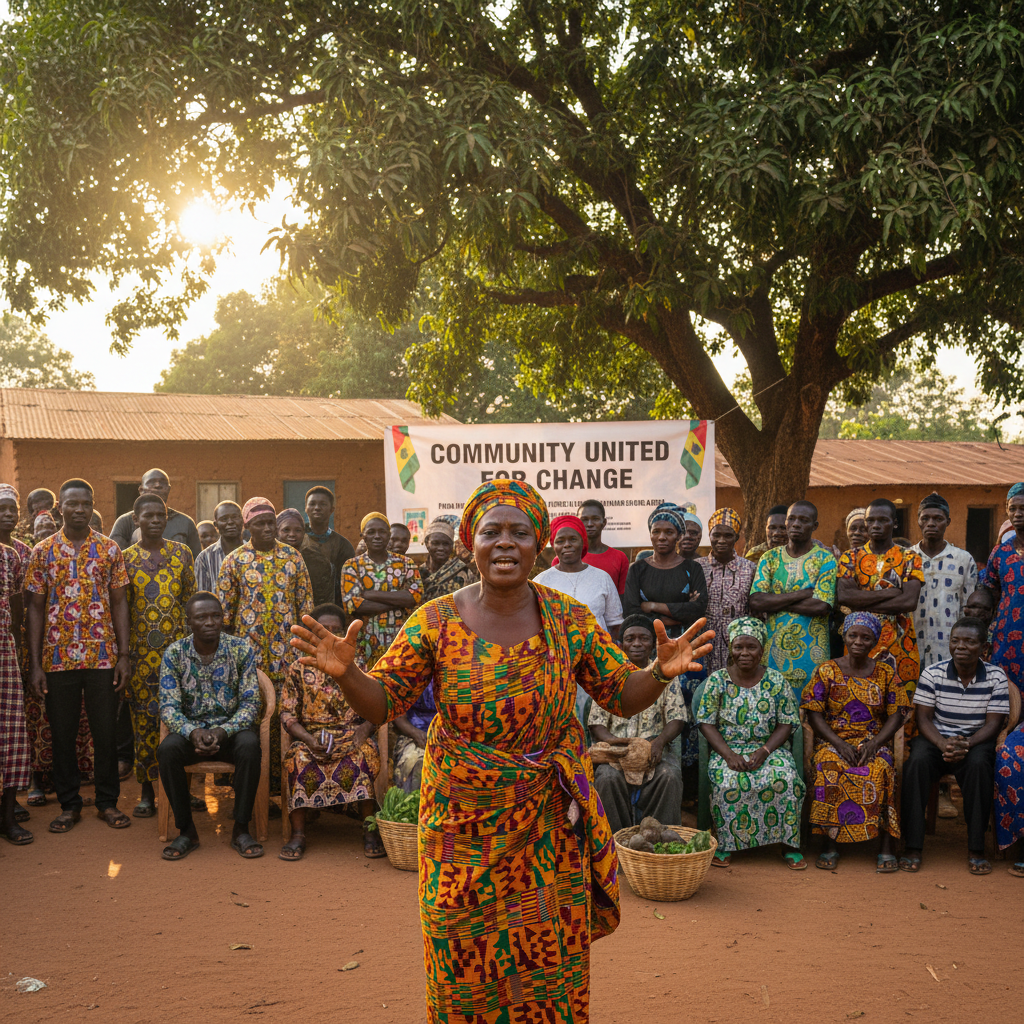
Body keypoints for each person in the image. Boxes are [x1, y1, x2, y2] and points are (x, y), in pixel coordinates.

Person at [289, 478, 714, 1022]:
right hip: (459, 821)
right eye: (492, 531)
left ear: (539, 544)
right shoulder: (434, 620)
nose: (506, 543)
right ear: (472, 543)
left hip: (545, 822)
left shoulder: (571, 620)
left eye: (519, 532)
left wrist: (658, 671)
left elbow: (620, 696)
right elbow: (383, 704)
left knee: (547, 959)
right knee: (457, 946)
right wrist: (348, 673)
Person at [24, 478, 132, 834]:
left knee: (105, 734)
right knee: (63, 734)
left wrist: (123, 655)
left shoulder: (109, 550)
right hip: (57, 660)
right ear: (60, 509)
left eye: (86, 503)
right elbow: (35, 609)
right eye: (72, 504)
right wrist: (36, 663)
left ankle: (106, 802)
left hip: (102, 657)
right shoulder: (42, 552)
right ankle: (69, 804)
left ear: (92, 505)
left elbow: (119, 602)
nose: (79, 509)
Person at [157, 591, 263, 860]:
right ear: (189, 622)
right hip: (190, 734)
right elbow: (168, 706)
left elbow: (251, 704)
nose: (210, 622)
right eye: (201, 617)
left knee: (250, 745)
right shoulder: (174, 653)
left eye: (216, 616)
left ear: (222, 619)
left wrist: (221, 731)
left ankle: (241, 829)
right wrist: (193, 732)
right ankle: (187, 831)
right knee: (167, 750)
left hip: (229, 734)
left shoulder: (241, 649)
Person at [218, 496, 313, 794]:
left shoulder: (293, 558)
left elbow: (305, 608)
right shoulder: (234, 561)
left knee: (285, 719)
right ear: (248, 527)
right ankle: (249, 787)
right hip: (249, 660)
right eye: (260, 523)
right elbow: (225, 617)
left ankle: (280, 788)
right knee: (250, 719)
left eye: (271, 522)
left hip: (288, 656)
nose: (267, 528)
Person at [900, 617, 1009, 875]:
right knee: (915, 763)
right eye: (955, 640)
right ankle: (912, 846)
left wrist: (967, 743)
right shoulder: (933, 672)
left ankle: (976, 849)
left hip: (976, 739)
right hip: (938, 737)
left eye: (970, 642)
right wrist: (942, 743)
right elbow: (923, 718)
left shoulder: (996, 677)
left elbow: (993, 724)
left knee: (980, 766)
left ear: (984, 648)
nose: (960, 646)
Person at [695, 617, 806, 869]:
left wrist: (765, 751)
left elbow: (786, 723)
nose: (744, 653)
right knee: (726, 781)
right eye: (738, 647)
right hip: (728, 750)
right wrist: (728, 755)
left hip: (769, 749)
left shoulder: (776, 681)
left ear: (761, 649)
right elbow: (706, 723)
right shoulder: (717, 681)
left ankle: (789, 845)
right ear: (731, 649)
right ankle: (725, 844)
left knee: (785, 779)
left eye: (751, 647)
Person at [802, 612, 908, 872]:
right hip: (834, 741)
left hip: (873, 740)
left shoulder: (884, 672)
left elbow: (897, 713)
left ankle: (885, 846)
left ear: (874, 642)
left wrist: (874, 744)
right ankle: (830, 844)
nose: (858, 641)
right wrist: (838, 743)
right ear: (844, 637)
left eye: (866, 637)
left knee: (881, 769)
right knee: (829, 768)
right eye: (853, 635)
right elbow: (813, 713)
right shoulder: (826, 670)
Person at [279, 602, 384, 861]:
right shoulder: (298, 668)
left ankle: (369, 830)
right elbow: (287, 714)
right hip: (311, 738)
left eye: (334, 630)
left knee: (366, 754)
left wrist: (365, 729)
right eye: (322, 629)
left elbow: (379, 706)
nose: (328, 634)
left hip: (351, 735)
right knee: (297, 759)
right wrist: (308, 739)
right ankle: (298, 834)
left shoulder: (359, 666)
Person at [122, 493, 196, 817]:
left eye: (161, 515)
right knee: (145, 724)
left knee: (183, 719)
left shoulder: (182, 553)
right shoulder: (123, 558)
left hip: (178, 653)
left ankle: (184, 789)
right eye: (148, 515)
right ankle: (147, 791)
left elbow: (191, 603)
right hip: (141, 657)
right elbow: (121, 608)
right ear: (135, 520)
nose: (155, 520)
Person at [588, 613, 686, 834]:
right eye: (630, 639)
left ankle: (660, 843)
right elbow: (597, 724)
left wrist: (659, 743)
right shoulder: (609, 676)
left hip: (654, 748)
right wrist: (618, 746)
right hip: (616, 749)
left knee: (668, 776)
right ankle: (615, 844)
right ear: (621, 645)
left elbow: (677, 718)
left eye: (644, 638)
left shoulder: (666, 674)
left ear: (653, 644)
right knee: (606, 778)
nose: (637, 644)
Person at [750, 500, 837, 700]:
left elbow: (821, 606)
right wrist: (802, 594)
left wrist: (774, 601)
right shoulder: (769, 558)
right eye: (792, 519)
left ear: (814, 526)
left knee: (810, 710)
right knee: (772, 705)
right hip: (772, 653)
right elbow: (756, 601)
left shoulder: (825, 559)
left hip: (811, 653)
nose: (796, 524)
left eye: (803, 520)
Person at [836, 499, 924, 698]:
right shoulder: (850, 557)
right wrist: (890, 593)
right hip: (858, 646)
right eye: (871, 520)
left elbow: (908, 602)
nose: (875, 525)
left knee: (899, 703)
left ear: (894, 523)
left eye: (882, 520)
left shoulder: (910, 558)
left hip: (900, 645)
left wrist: (861, 601)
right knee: (857, 702)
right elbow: (845, 597)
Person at [340, 512, 423, 669]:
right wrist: (399, 601)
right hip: (365, 643)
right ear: (362, 536)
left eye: (382, 532)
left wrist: (370, 594)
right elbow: (354, 606)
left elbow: (415, 597)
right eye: (371, 532)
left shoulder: (406, 563)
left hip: (401, 641)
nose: (377, 536)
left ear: (388, 535)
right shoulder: (352, 566)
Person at [909, 493, 978, 671]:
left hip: (949, 650)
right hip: (910, 646)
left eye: (938, 518)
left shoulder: (963, 560)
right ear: (918, 521)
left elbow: (967, 609)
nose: (931, 523)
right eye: (925, 518)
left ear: (948, 521)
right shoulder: (906, 558)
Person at [623, 504, 708, 639]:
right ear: (650, 534)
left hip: (684, 642)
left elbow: (698, 609)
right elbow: (631, 612)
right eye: (656, 531)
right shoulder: (637, 569)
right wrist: (677, 616)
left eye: (669, 532)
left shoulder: (693, 568)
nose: (662, 537)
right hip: (647, 644)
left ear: (679, 536)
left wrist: (652, 605)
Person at [534, 514, 623, 637]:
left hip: (597, 653)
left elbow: (615, 625)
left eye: (573, 539)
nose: (567, 545)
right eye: (560, 541)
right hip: (557, 653)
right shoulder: (541, 581)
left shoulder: (602, 578)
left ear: (583, 542)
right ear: (554, 546)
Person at [0, 528, 31, 844]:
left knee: (10, 733)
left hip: (5, 651)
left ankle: (8, 818)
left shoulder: (8, 556)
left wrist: (21, 653)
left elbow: (17, 608)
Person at [696, 507, 756, 672]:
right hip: (703, 642)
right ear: (710, 536)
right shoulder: (697, 567)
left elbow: (754, 609)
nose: (721, 540)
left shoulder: (750, 568)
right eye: (716, 535)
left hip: (738, 646)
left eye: (728, 535)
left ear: (736, 537)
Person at [981, 483, 1024, 689]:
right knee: (1007, 694)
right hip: (1007, 636)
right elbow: (990, 593)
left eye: (1023, 508)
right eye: (1013, 508)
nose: (1017, 513)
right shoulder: (1000, 552)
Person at [109, 469, 201, 557]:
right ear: (141, 490)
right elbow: (115, 557)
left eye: (163, 482)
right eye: (151, 482)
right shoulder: (125, 522)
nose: (158, 485)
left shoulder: (186, 522)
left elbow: (196, 561)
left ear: (168, 489)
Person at [553, 499, 630, 595]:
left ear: (604, 522)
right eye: (584, 519)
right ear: (578, 523)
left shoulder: (620, 558)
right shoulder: (563, 559)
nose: (590, 524)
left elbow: (622, 598)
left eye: (595, 519)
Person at [303, 486, 356, 603]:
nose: (317, 508)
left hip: (332, 609)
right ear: (306, 508)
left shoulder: (343, 546)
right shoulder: (297, 540)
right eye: (312, 504)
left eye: (322, 504)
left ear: (332, 509)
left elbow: (347, 583)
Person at [277, 508, 333, 606]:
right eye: (286, 530)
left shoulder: (317, 561)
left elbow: (323, 599)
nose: (292, 534)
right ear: (276, 532)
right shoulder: (268, 560)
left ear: (304, 532)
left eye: (298, 530)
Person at [419, 517, 476, 601]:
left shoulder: (464, 572)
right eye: (435, 543)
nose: (441, 548)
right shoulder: (418, 573)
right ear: (427, 543)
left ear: (451, 545)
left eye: (446, 544)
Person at [194, 500, 244, 593]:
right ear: (216, 525)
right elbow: (203, 599)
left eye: (235, 517)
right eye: (224, 519)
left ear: (243, 521)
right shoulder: (204, 558)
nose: (230, 522)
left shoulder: (256, 553)